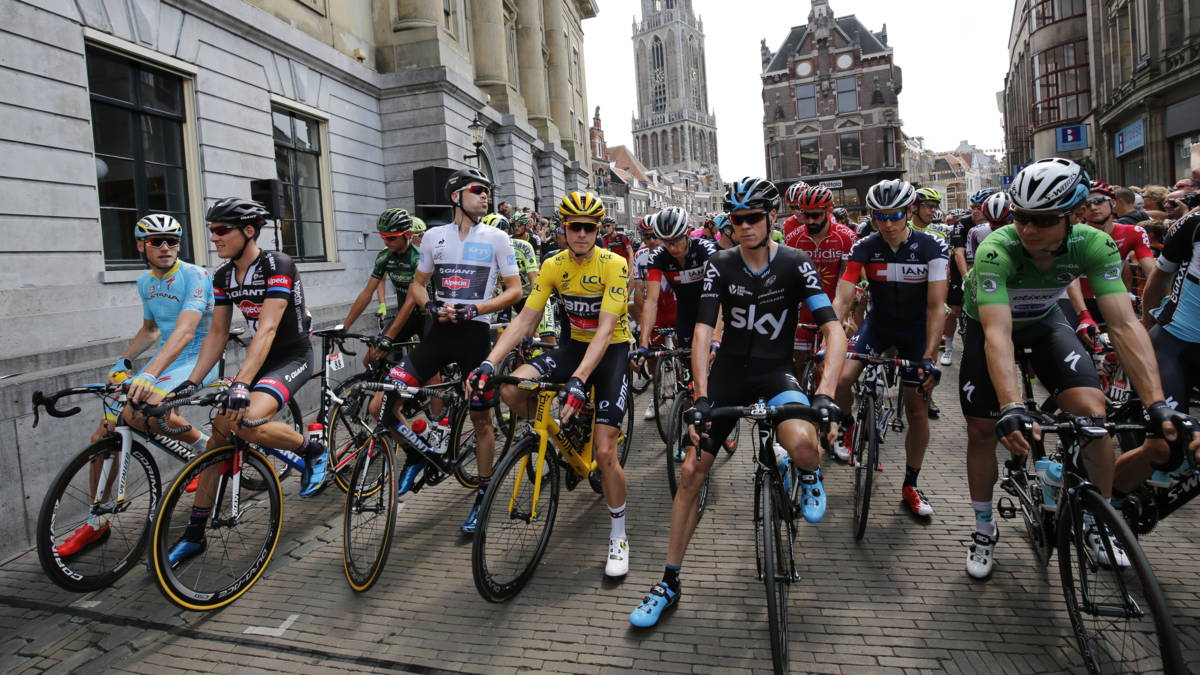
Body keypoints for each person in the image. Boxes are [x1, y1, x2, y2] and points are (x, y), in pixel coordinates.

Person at [628, 177, 846, 628]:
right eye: (736, 219)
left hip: (776, 371)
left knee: (805, 445)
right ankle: (668, 581)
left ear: (771, 218)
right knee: (691, 472)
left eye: (752, 218)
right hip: (729, 374)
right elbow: (703, 330)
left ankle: (808, 473)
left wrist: (825, 392)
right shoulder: (721, 264)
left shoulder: (796, 262)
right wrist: (701, 396)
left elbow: (833, 329)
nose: (744, 226)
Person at [958, 157, 1178, 578]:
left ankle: (1099, 519)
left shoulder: (1094, 244)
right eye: (1021, 217)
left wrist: (1156, 403)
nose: (1028, 229)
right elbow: (997, 333)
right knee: (983, 429)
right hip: (988, 325)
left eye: (1042, 220)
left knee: (1094, 416)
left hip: (1045, 321)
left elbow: (1124, 324)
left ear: (1075, 215)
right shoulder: (996, 248)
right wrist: (1011, 405)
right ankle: (984, 528)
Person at [468, 191, 633, 576]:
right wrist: (489, 362)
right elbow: (526, 319)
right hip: (573, 347)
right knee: (510, 387)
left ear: (597, 230)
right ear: (564, 228)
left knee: (605, 452)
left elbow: (606, 330)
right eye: (575, 227)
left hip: (611, 351)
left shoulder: (614, 264)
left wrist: (578, 380)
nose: (582, 234)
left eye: (589, 228)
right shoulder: (552, 264)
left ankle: (619, 535)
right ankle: (552, 435)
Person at [169, 198, 327, 566]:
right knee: (219, 435)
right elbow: (217, 333)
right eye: (212, 230)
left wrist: (241, 383)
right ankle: (194, 534)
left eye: (222, 230)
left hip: (291, 356)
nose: (214, 237)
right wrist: (192, 381)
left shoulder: (278, 265)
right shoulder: (223, 276)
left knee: (248, 421)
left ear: (249, 231)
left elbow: (268, 327)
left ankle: (312, 450)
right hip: (261, 357)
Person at [57, 215, 218, 558]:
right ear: (140, 245)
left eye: (172, 241)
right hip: (164, 357)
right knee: (105, 432)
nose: (165, 247)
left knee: (148, 408)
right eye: (156, 241)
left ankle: (208, 451)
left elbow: (185, 331)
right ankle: (97, 521)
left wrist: (148, 375)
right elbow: (151, 330)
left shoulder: (196, 276)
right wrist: (125, 360)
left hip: (196, 355)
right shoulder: (145, 282)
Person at [384, 168, 522, 533]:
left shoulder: (497, 238)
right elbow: (418, 285)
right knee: (381, 403)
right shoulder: (433, 237)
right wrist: (429, 305)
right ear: (455, 196)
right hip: (438, 333)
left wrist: (475, 309)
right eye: (478, 190)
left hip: (474, 335)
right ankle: (417, 454)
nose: (485, 196)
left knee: (481, 420)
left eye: (488, 191)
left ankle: (483, 493)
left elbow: (515, 291)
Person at [831, 179, 947, 517]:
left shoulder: (931, 246)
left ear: (908, 212)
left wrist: (930, 356)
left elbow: (936, 307)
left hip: (916, 332)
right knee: (841, 380)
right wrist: (833, 331)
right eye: (879, 216)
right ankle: (850, 425)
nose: (887, 224)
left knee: (916, 409)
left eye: (894, 215)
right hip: (878, 326)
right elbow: (844, 295)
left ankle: (911, 484)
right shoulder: (865, 246)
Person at [783, 185, 856, 378]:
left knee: (829, 372)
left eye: (815, 215)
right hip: (804, 309)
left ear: (829, 210)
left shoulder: (846, 236)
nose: (810, 221)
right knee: (797, 368)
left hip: (834, 305)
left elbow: (846, 279)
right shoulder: (794, 238)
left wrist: (847, 314)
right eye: (805, 215)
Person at [1063, 180, 1155, 331]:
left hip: (1112, 296)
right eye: (1087, 203)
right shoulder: (1071, 234)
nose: (1093, 207)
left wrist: (1151, 303)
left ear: (1112, 203)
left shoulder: (1133, 232)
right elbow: (1071, 278)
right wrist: (1084, 315)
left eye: (1099, 201)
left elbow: (1152, 272)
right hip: (1075, 300)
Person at [343, 209, 428, 359]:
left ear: (408, 234)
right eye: (383, 237)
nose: (386, 242)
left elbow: (411, 301)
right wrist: (344, 327)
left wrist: (388, 338)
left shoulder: (418, 258)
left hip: (427, 317)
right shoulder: (385, 256)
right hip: (405, 317)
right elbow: (367, 293)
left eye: (391, 238)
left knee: (429, 366)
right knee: (371, 359)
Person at [635, 207, 719, 354]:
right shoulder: (658, 256)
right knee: (686, 360)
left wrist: (716, 336)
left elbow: (719, 295)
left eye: (676, 240)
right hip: (684, 311)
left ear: (687, 234)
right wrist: (643, 344)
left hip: (710, 308)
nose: (672, 248)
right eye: (666, 242)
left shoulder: (705, 249)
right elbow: (651, 301)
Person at [631, 216, 678, 421]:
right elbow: (638, 291)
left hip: (676, 308)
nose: (651, 241)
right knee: (651, 355)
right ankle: (656, 395)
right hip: (656, 311)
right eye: (646, 237)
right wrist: (642, 322)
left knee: (683, 355)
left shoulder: (674, 251)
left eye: (654, 236)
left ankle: (687, 392)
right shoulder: (641, 255)